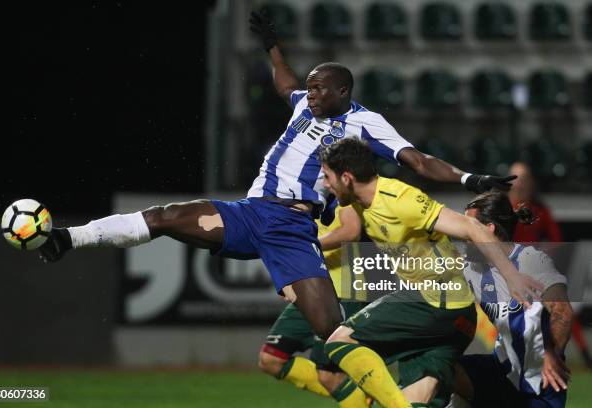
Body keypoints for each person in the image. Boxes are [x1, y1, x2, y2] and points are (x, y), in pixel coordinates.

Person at [40, 7, 516, 371]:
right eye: (308, 88)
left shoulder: (364, 122)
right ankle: (68, 238)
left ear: (342, 92)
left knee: (334, 337)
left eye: (318, 89)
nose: (309, 93)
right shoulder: (302, 106)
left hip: (293, 225)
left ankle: (398, 384)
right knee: (164, 216)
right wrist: (272, 48)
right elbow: (284, 82)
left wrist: (469, 178)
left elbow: (417, 160)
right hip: (250, 213)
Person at [317, 138, 542, 408]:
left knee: (341, 342)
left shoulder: (400, 200)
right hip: (455, 319)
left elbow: (471, 228)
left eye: (328, 176)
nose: (325, 183)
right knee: (419, 401)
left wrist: (511, 276)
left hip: (436, 300)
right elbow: (349, 230)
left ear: (347, 177)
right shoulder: (356, 201)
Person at [447, 190, 573, 408]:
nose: (462, 235)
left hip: (539, 383)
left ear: (488, 229)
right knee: (440, 367)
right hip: (501, 372)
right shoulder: (471, 270)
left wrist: (551, 353)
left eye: (468, 227)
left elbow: (562, 312)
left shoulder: (531, 260)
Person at [258, 202, 371, 406]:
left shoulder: (343, 189)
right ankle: (362, 395)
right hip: (311, 286)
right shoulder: (302, 195)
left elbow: (350, 230)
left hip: (345, 291)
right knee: (271, 360)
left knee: (328, 375)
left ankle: (363, 397)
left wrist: (311, 244)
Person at [509, 162, 591, 369]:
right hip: (508, 272)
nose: (520, 183)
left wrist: (543, 257)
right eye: (515, 178)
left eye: (524, 178)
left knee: (562, 308)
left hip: (535, 270)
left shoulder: (540, 209)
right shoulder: (502, 208)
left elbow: (555, 238)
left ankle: (579, 354)